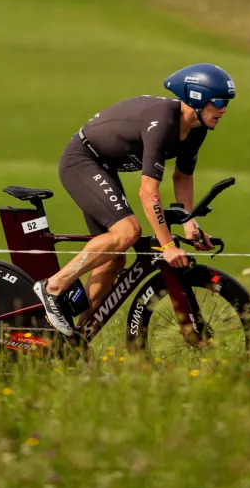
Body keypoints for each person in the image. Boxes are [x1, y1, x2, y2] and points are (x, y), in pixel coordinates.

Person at [33, 63, 236, 336]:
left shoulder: (196, 128)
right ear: (196, 98)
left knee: (113, 261)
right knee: (128, 231)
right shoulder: (164, 123)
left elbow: (183, 176)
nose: (224, 109)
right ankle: (53, 287)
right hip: (82, 161)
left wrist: (190, 224)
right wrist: (167, 246)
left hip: (103, 167)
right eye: (220, 102)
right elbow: (148, 192)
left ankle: (74, 341)